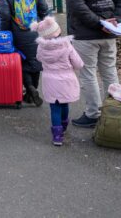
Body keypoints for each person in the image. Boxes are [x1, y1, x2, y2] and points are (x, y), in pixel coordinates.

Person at [66, 0, 121, 128]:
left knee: (88, 74)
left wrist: (99, 23)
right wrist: (114, 21)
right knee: (109, 71)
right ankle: (116, 111)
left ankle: (93, 114)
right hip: (110, 34)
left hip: (86, 37)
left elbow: (78, 9)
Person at [0, 0, 49, 106]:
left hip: (17, 33)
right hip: (36, 32)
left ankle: (30, 89)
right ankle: (33, 90)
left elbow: (5, 17)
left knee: (21, 61)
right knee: (36, 60)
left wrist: (5, 34)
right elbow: (45, 11)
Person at [30, 16, 84, 146]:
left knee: (54, 108)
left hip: (50, 81)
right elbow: (78, 64)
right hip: (66, 80)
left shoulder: (41, 48)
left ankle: (57, 137)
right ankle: (64, 125)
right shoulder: (67, 45)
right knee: (64, 104)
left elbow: (38, 58)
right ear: (58, 31)